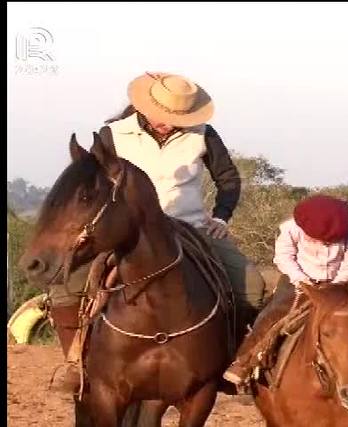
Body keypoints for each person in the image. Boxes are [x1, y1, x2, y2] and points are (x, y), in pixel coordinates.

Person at [48, 72, 267, 390]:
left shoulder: (203, 134)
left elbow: (228, 179)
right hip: (126, 230)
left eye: (177, 118)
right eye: (164, 116)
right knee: (63, 288)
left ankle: (229, 363)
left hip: (188, 226)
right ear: (145, 107)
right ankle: (74, 363)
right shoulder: (113, 135)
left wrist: (220, 219)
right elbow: (90, 185)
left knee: (252, 285)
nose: (169, 123)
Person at [223, 194, 348, 388]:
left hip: (341, 282)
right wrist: (302, 280)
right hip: (298, 281)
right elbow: (284, 257)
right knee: (272, 314)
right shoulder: (291, 229)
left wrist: (335, 286)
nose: (326, 243)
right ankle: (245, 361)